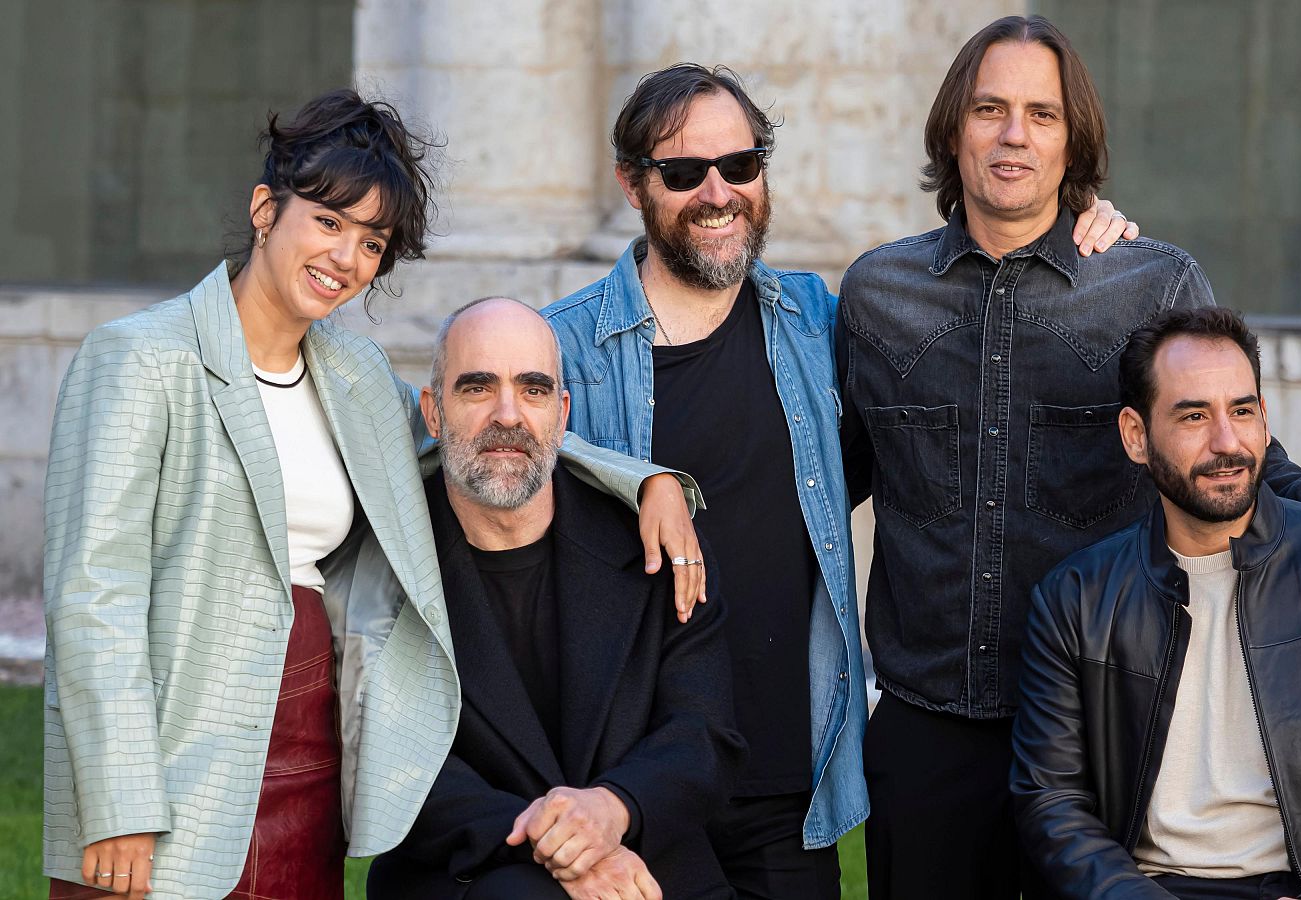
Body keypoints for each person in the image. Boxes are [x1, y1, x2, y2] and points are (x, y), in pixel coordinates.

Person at [43, 90, 701, 900]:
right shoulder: (140, 359)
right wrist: (119, 797)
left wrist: (646, 480)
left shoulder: (356, 379)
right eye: (327, 221)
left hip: (309, 743)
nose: (345, 257)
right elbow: (92, 596)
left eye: (372, 241)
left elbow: (484, 432)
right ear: (263, 209)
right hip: (175, 746)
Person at [835, 16, 1301, 900]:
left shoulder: (1151, 284)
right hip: (931, 722)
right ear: (954, 129)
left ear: (1076, 141)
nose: (1014, 134)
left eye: (1042, 113)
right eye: (990, 109)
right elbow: (832, 475)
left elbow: (1223, 439)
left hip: (1111, 723)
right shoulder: (877, 292)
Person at [543, 62, 1134, 899]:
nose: (718, 193)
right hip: (633, 772)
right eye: (683, 173)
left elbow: (971, 360)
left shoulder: (826, 321)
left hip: (790, 776)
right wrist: (639, 478)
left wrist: (1075, 223)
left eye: (740, 166)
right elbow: (478, 462)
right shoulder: (559, 348)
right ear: (633, 187)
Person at [1012, 307, 1301, 899]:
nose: (1227, 443)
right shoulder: (1077, 599)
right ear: (1136, 436)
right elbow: (1051, 799)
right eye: (1194, 415)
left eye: (1242, 410)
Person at [368, 297, 745, 900]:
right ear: (433, 413)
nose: (508, 415)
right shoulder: (381, 562)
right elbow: (388, 757)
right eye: (477, 388)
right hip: (473, 871)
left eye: (534, 389)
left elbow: (704, 734)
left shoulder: (656, 543)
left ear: (562, 413)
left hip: (647, 870)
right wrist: (565, 850)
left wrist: (613, 808)